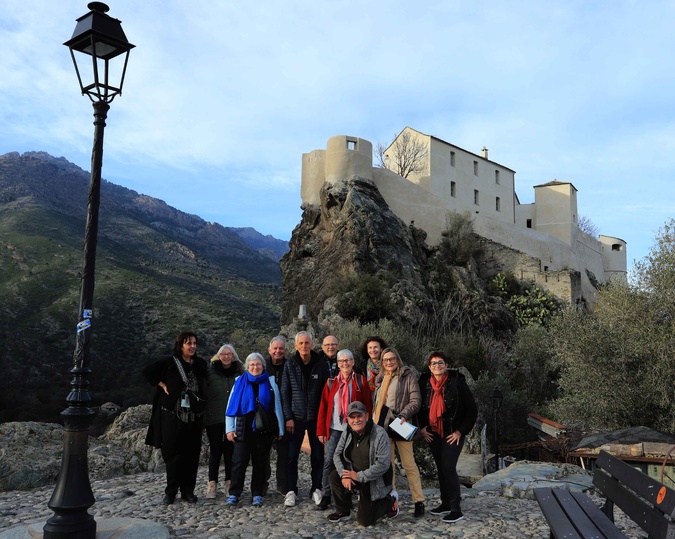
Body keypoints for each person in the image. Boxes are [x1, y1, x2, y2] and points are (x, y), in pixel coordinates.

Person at [144, 331, 207, 505]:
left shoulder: (200, 364)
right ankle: (171, 492)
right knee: (172, 455)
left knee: (192, 455)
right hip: (172, 417)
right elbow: (148, 371)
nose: (193, 346)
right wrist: (162, 384)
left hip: (194, 417)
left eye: (194, 343)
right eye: (189, 343)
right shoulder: (170, 362)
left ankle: (188, 491)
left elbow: (204, 387)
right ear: (180, 345)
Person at [418, 351, 477, 523]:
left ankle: (455, 508)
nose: (437, 366)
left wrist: (460, 431)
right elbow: (420, 407)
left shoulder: (457, 383)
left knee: (448, 467)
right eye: (434, 363)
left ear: (446, 365)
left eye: (440, 363)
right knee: (440, 467)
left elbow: (472, 410)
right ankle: (445, 503)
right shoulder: (424, 383)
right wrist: (422, 427)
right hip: (433, 432)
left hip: (452, 432)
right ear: (429, 367)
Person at [225, 353, 284, 507]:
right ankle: (234, 493)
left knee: (260, 463)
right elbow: (231, 406)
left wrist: (280, 429)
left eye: (258, 364)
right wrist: (229, 429)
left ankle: (257, 493)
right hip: (242, 427)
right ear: (247, 367)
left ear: (263, 366)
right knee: (239, 462)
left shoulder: (270, 382)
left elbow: (277, 407)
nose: (255, 367)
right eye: (251, 364)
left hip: (263, 428)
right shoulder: (239, 381)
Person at [316, 349, 372, 510]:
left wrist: (367, 429)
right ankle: (326, 494)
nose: (345, 363)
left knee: (353, 461)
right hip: (335, 428)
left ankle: (351, 492)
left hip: (355, 430)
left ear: (353, 362)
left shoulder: (361, 381)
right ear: (338, 364)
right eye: (341, 361)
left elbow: (368, 406)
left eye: (348, 360)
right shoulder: (331, 383)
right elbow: (324, 408)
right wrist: (321, 431)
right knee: (329, 460)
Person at [373, 347, 425, 517]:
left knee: (409, 464)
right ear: (382, 362)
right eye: (385, 359)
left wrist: (404, 414)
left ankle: (419, 501)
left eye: (392, 358)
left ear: (397, 359)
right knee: (388, 466)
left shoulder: (407, 375)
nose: (389, 362)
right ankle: (392, 501)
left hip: (400, 424)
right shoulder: (380, 379)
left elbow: (416, 400)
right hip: (382, 427)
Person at [328, 401, 399, 526]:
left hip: (373, 480)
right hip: (353, 474)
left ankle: (389, 501)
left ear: (367, 416)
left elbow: (383, 464)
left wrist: (359, 476)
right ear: (348, 419)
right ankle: (343, 510)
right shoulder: (347, 432)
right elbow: (337, 454)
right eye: (352, 417)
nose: (356, 420)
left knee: (365, 521)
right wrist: (344, 475)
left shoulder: (379, 434)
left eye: (359, 416)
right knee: (334, 475)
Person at [280, 331, 329, 507]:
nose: (304, 346)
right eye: (300, 343)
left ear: (312, 344)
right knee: (291, 456)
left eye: (307, 343)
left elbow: (326, 394)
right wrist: (288, 417)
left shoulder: (320, 364)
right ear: (295, 346)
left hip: (316, 418)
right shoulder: (290, 365)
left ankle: (316, 488)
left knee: (317, 456)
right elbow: (285, 393)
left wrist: (323, 419)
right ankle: (291, 490)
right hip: (296, 418)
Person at [203, 344, 243, 499]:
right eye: (223, 354)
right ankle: (212, 485)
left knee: (230, 452)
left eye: (229, 354)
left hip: (233, 418)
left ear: (233, 356)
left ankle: (229, 483)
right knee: (215, 451)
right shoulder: (210, 372)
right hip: (214, 417)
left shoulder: (240, 372)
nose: (226, 357)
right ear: (218, 356)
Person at [266, 335, 288, 494]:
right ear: (269, 350)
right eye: (275, 348)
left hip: (285, 416)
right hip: (265, 416)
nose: (278, 351)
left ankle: (282, 483)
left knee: (284, 453)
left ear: (285, 350)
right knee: (263, 452)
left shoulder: (290, 366)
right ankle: (262, 483)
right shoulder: (262, 365)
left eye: (281, 348)